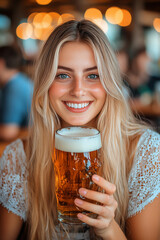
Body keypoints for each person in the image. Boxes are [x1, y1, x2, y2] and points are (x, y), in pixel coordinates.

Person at [0, 20, 160, 240]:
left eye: (93, 75)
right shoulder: (18, 157)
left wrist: (108, 228)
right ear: (46, 82)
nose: (78, 90)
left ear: (110, 82)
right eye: (63, 75)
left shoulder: (145, 153)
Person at [0, 45, 33, 141]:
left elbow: (8, 132)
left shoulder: (14, 87)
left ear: (1, 63)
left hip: (27, 145)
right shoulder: (19, 80)